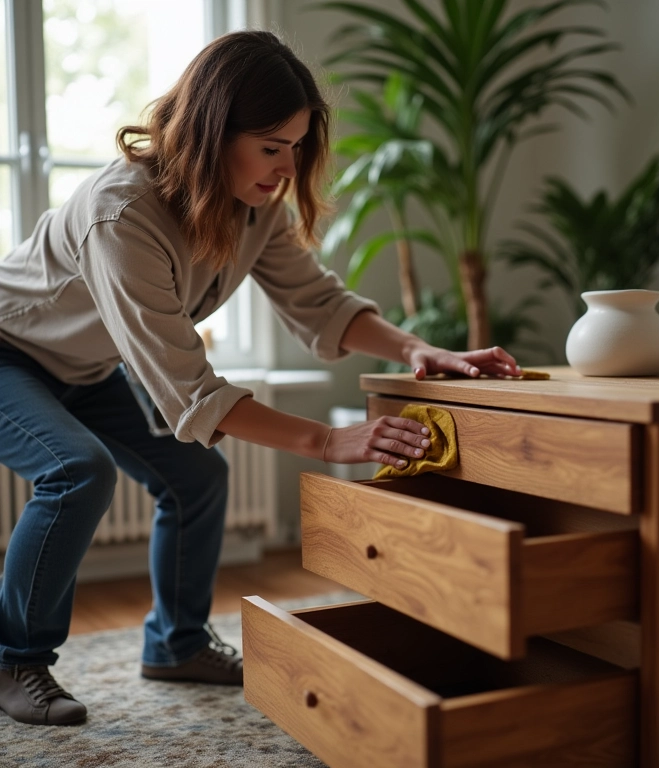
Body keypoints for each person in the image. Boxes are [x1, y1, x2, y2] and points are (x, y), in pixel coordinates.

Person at [0, 30, 521, 726]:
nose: (285, 167)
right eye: (271, 146)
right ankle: (16, 661)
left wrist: (421, 350)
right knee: (79, 469)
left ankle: (178, 645)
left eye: (297, 146)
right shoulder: (121, 214)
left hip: (84, 366)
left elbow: (321, 302)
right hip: (9, 351)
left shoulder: (254, 205)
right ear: (213, 132)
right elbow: (190, 388)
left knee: (198, 478)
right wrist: (333, 443)